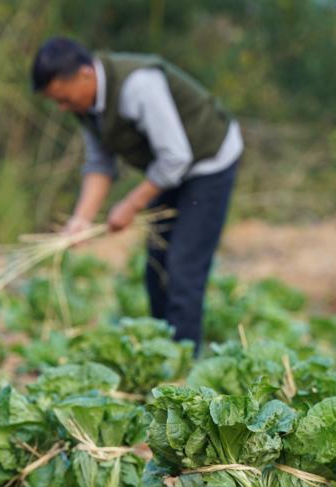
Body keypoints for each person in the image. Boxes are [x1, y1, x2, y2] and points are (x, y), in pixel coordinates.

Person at [32, 37, 242, 349]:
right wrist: (81, 220)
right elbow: (100, 163)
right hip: (171, 171)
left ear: (85, 75)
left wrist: (131, 204)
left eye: (63, 98)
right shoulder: (86, 106)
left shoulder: (138, 86)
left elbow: (176, 157)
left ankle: (185, 360)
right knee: (157, 265)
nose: (63, 107)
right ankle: (163, 349)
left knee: (183, 267)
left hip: (208, 162)